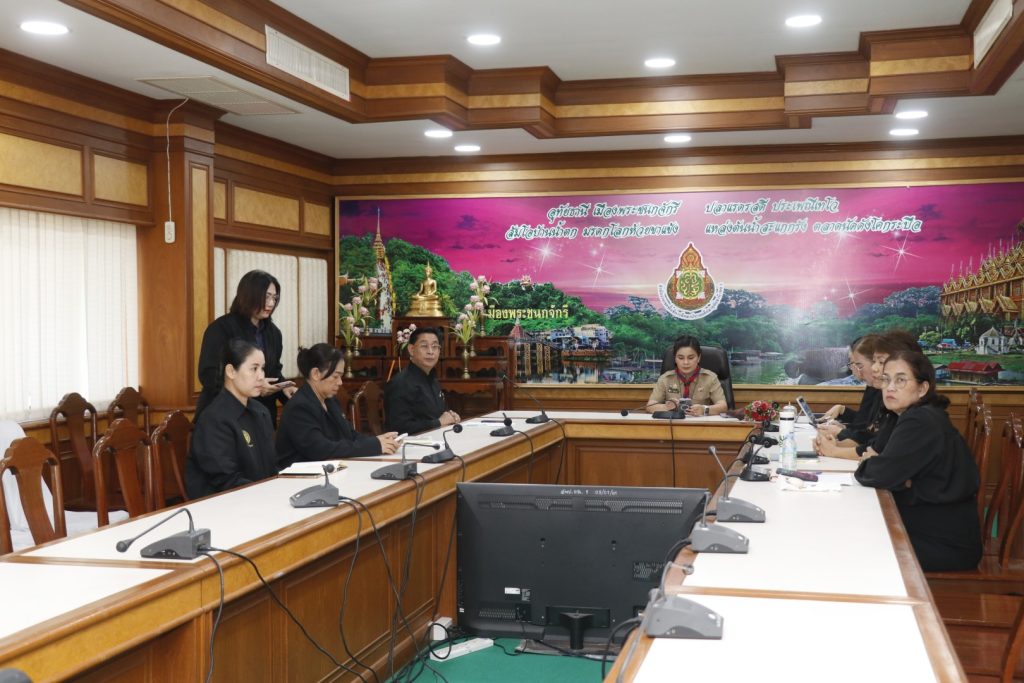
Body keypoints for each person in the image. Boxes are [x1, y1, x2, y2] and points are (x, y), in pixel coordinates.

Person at [853, 349, 982, 571]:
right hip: (930, 527)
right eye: (886, 380)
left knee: (858, 546)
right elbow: (887, 471)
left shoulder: (920, 421)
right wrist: (897, 478)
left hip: (944, 544)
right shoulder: (911, 415)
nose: (890, 387)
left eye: (900, 380)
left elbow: (876, 473)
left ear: (922, 388)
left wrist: (874, 466)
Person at [195, 270, 296, 425]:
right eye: (266, 297)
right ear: (248, 295)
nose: (271, 303)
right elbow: (208, 374)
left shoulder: (274, 333)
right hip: (225, 415)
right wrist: (253, 386)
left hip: (261, 415)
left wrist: (283, 389)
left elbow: (273, 370)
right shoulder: (220, 328)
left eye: (274, 298)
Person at [276, 344, 400, 467]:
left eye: (341, 376)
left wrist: (377, 441)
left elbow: (350, 435)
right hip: (299, 475)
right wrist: (373, 446)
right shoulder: (299, 407)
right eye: (336, 376)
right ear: (316, 373)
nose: (340, 382)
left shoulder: (330, 401)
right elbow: (321, 450)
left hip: (328, 469)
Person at [185, 339, 278, 498]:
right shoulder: (213, 419)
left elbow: (271, 467)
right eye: (254, 369)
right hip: (223, 504)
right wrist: (267, 495)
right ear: (231, 371)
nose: (261, 376)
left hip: (259, 498)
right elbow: (226, 480)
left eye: (262, 369)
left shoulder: (261, 412)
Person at [816, 331, 919, 459]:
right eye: (875, 361)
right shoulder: (894, 412)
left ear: (922, 387)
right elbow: (873, 443)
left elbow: (881, 455)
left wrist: (835, 448)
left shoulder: (918, 420)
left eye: (881, 362)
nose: (874, 368)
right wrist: (833, 446)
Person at [384, 327, 460, 434]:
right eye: (424, 346)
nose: (430, 352)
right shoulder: (400, 384)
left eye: (435, 347)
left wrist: (450, 416)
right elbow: (399, 427)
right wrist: (439, 422)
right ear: (411, 349)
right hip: (411, 442)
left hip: (434, 436)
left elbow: (435, 414)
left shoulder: (431, 378)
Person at [646, 336, 727, 417]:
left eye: (690, 358)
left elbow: (723, 407)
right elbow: (650, 406)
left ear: (699, 358)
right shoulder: (665, 379)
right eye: (680, 358)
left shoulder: (710, 378)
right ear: (675, 359)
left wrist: (704, 409)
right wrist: (666, 407)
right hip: (673, 422)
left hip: (700, 423)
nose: (686, 362)